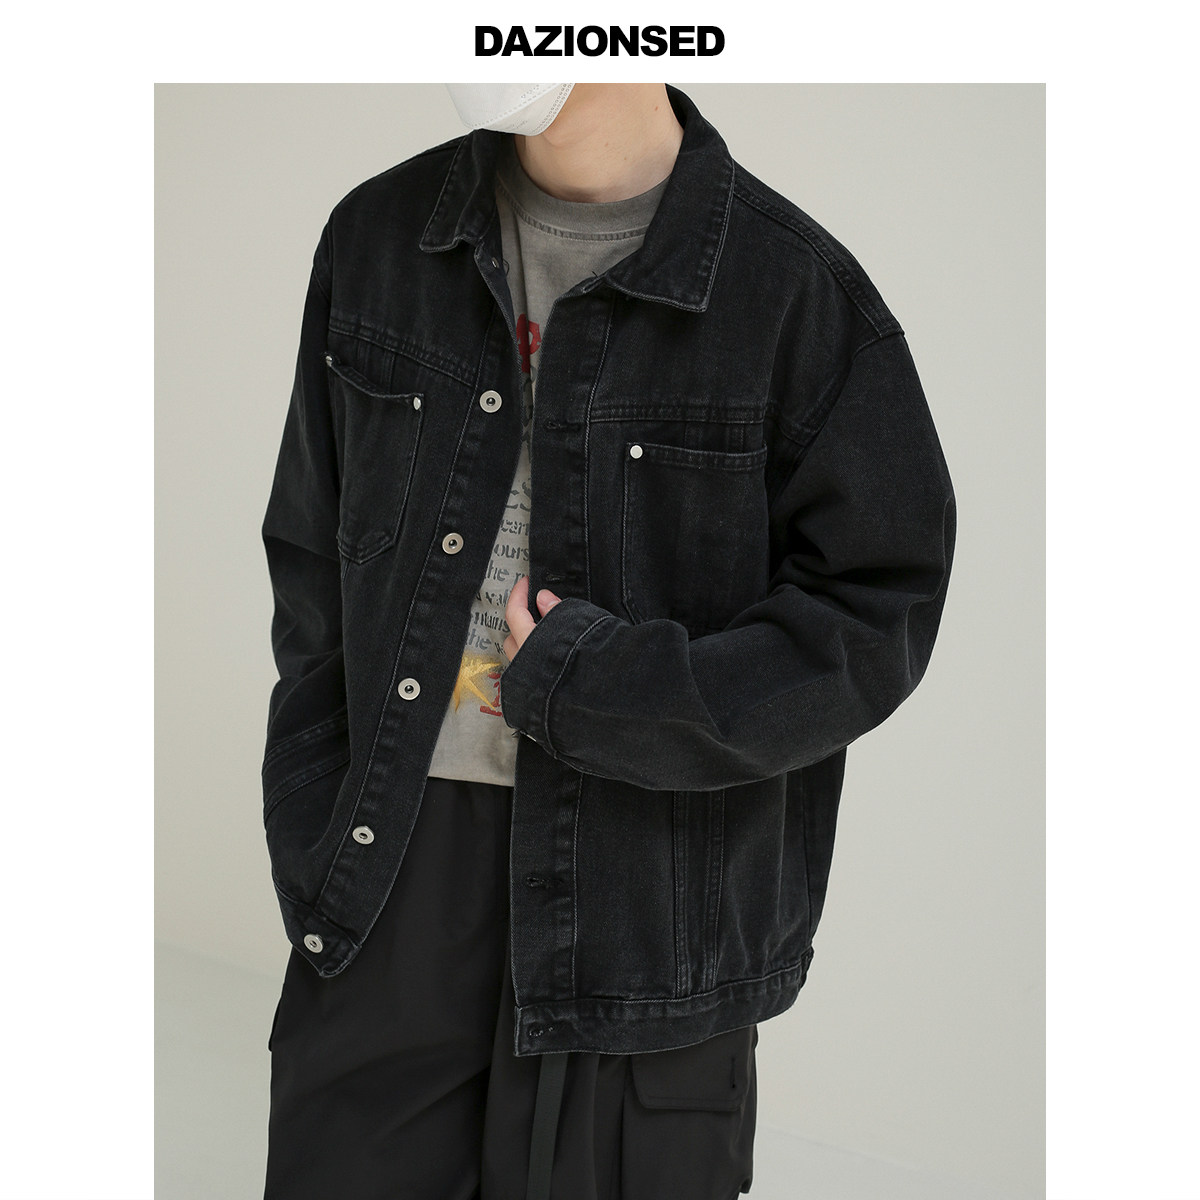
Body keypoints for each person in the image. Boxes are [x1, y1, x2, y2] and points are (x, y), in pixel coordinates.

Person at [258, 82, 957, 1200]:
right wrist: (313, 812)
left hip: (653, 903)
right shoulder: (378, 236)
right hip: (391, 873)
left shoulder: (793, 291)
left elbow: (876, 616)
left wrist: (603, 689)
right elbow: (310, 554)